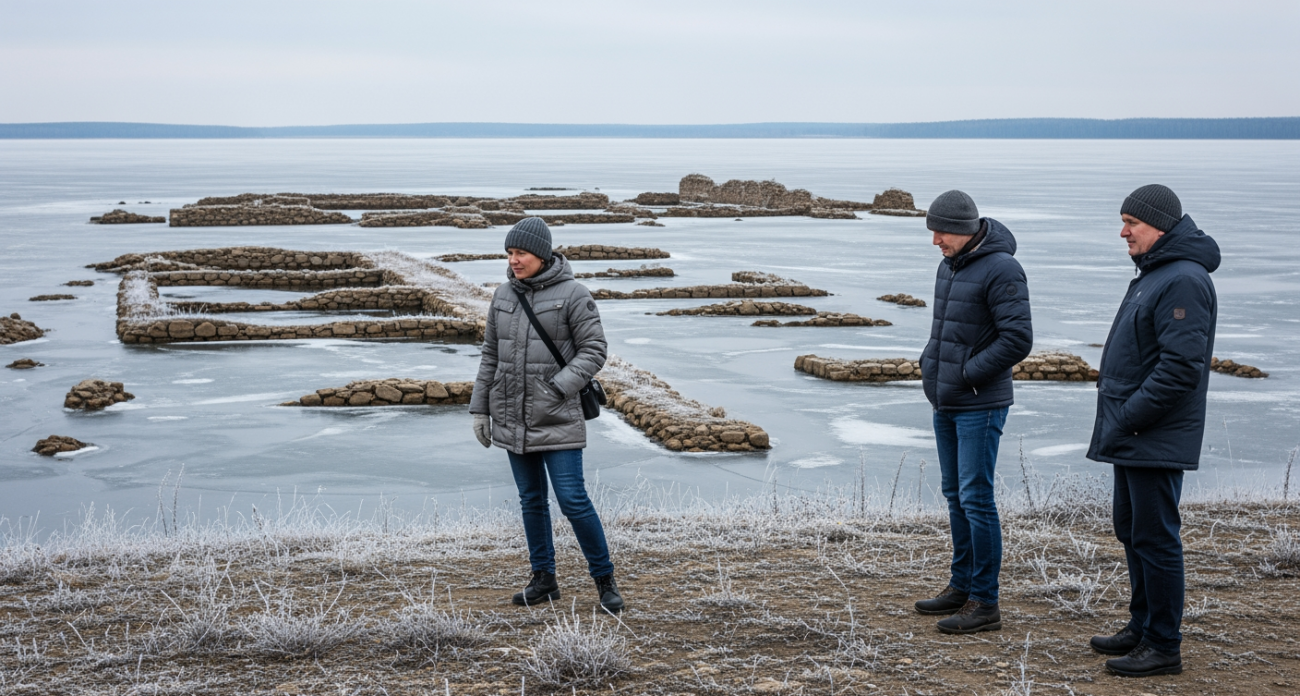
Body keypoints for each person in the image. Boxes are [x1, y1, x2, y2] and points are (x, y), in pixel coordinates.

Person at [1086, 185, 1218, 677]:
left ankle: (1163, 644)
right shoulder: (1157, 273)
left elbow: (1180, 368)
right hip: (1134, 431)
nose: (1123, 232)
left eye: (1131, 223)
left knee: (1156, 538)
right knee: (1132, 529)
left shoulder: (1182, 279)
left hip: (1152, 433)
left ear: (1159, 226)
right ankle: (1142, 625)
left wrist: (1129, 417)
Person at [468, 217, 624, 613]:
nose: (513, 260)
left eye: (520, 253)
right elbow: (490, 355)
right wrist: (480, 408)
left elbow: (595, 350)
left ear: (541, 254)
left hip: (557, 416)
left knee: (573, 501)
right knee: (531, 501)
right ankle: (544, 580)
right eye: (509, 253)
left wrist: (556, 388)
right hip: (511, 416)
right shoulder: (503, 295)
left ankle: (605, 580)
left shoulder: (574, 294)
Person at [916, 190, 1033, 634]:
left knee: (976, 499)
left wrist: (966, 373)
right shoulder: (950, 266)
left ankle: (985, 602)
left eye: (941, 233)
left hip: (980, 403)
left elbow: (1017, 339)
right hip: (946, 399)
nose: (935, 241)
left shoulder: (1002, 268)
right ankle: (961, 585)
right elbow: (945, 331)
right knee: (955, 495)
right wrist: (933, 366)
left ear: (963, 229)